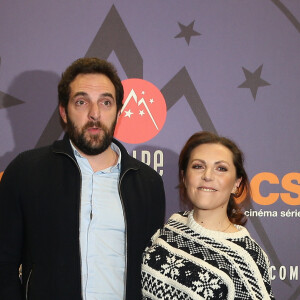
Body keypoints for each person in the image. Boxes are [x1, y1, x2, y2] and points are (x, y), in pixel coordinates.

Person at [0, 57, 165, 300]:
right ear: (64, 112)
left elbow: (150, 272)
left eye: (106, 102)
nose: (94, 114)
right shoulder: (26, 171)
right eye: (81, 102)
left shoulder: (147, 183)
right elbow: (3, 264)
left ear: (119, 112)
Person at [142, 131, 275, 299]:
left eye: (221, 168)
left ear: (236, 183)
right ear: (184, 177)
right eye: (198, 166)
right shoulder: (172, 225)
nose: (207, 176)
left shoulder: (247, 259)